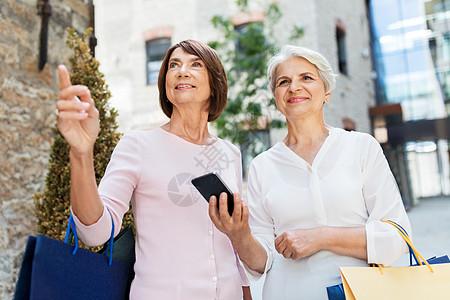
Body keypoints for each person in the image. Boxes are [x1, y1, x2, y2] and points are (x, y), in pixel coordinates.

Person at [209, 45, 411, 299]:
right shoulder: (262, 166)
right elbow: (261, 263)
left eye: (306, 78)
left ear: (327, 92)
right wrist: (239, 235)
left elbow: (396, 235)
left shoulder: (361, 147)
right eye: (284, 82)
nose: (294, 87)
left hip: (362, 293)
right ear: (276, 97)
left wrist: (321, 237)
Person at [56, 39, 251, 299]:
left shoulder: (230, 153)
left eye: (196, 64)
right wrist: (81, 153)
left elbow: (234, 249)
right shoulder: (138, 145)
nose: (182, 71)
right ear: (165, 84)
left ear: (215, 84)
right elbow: (95, 232)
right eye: (174, 65)